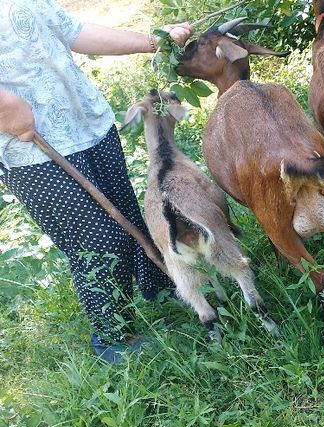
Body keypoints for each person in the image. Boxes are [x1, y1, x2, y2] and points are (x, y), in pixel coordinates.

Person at [0, 0, 193, 364]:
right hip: (31, 146)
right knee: (99, 239)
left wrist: (153, 41)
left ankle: (159, 284)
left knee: (128, 215)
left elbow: (73, 30)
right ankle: (112, 336)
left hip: (87, 122)